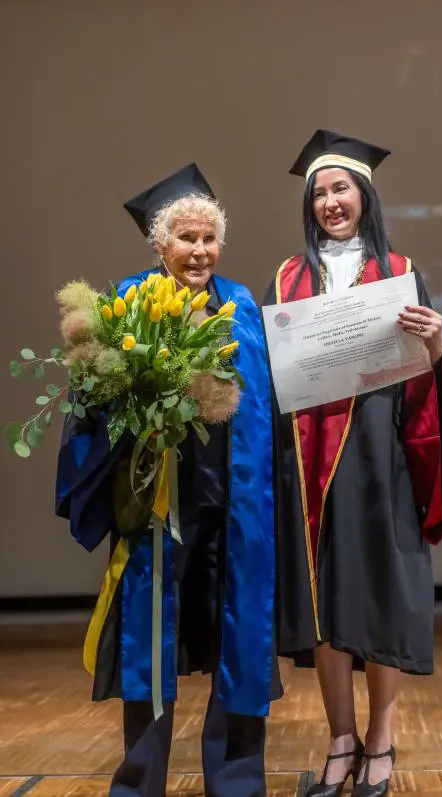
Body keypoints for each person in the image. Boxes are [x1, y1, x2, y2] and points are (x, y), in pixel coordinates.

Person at [56, 164, 279, 797]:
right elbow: (91, 402)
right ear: (160, 246)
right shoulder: (126, 306)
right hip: (161, 506)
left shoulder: (242, 310)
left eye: (209, 239)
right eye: (187, 238)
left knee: (242, 638)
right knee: (149, 643)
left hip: (236, 507)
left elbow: (269, 405)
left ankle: (236, 782)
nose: (200, 251)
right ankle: (139, 782)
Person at [264, 131, 442, 797]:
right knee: (325, 602)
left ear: (365, 196)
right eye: (320, 192)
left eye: (341, 188)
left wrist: (438, 348)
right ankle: (340, 738)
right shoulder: (287, 279)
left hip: (383, 459)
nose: (330, 201)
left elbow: (425, 382)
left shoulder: (401, 271)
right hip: (312, 465)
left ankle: (380, 738)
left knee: (380, 595)